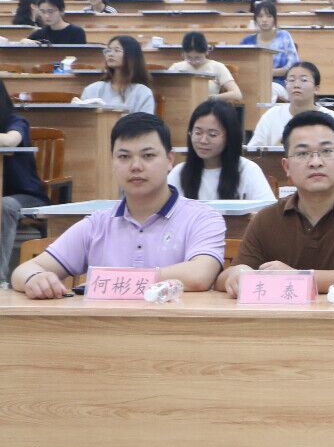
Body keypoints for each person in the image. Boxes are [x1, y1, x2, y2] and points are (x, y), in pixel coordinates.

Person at [12, 108, 225, 309]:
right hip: (107, 331)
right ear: (113, 161)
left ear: (170, 160)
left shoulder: (201, 218)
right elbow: (23, 271)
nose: (135, 166)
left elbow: (200, 275)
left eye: (148, 156)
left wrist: (113, 281)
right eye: (124, 157)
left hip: (176, 329)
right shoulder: (98, 224)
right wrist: (35, 278)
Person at [221, 109, 334, 300]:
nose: (315, 162)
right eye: (302, 153)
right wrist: (238, 273)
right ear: (286, 167)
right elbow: (226, 277)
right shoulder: (267, 218)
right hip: (284, 319)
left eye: (327, 151)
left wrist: (298, 277)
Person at [170, 99, 274, 201]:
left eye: (212, 134)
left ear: (230, 137)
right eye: (198, 133)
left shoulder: (248, 171)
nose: (203, 140)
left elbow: (266, 210)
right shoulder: (179, 173)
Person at [0, 78, 49, 281]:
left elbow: (10, 140)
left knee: (4, 205)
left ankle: (0, 278)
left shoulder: (16, 121)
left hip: (26, 196)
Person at [246, 61, 334, 150]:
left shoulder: (329, 116)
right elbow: (252, 151)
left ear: (316, 89)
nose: (296, 85)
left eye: (304, 80)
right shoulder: (272, 115)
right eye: (291, 80)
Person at [80, 35, 156, 114]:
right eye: (108, 50)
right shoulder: (93, 89)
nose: (110, 54)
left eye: (117, 50)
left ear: (131, 55)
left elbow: (145, 121)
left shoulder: (143, 92)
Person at [167, 31, 243, 101]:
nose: (193, 62)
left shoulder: (217, 67)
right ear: (183, 53)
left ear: (206, 52)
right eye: (189, 58)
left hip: (208, 108)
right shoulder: (176, 68)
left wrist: (211, 98)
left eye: (198, 58)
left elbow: (237, 94)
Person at [241, 0, 299, 81]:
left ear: (274, 19)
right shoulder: (247, 41)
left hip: (280, 81)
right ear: (255, 19)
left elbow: (293, 65)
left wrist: (269, 73)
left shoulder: (284, 36)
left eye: (269, 16)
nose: (264, 20)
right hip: (254, 81)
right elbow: (242, 67)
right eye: (260, 16)